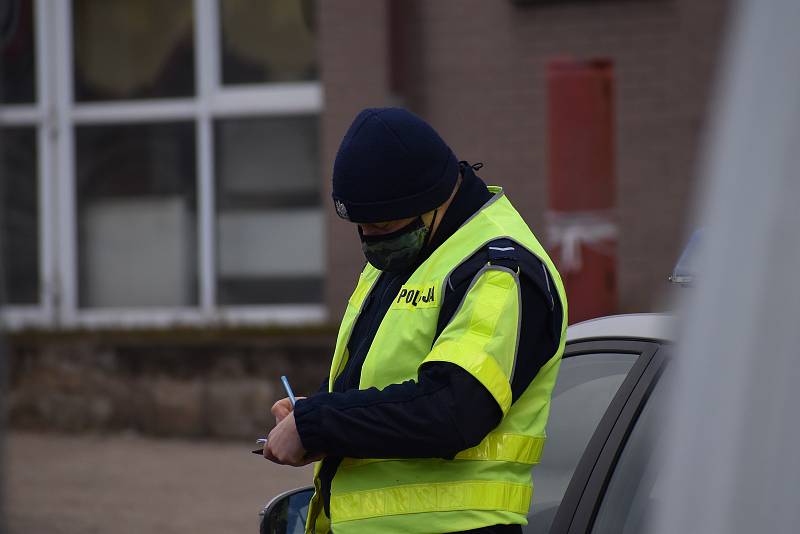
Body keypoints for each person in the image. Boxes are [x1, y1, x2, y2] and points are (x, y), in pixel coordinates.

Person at [264, 108, 568, 534]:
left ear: (434, 199)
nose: (371, 239)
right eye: (361, 226)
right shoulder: (406, 254)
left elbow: (453, 410)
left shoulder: (500, 271)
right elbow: (374, 382)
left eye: (382, 223)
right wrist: (310, 411)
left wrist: (319, 424)